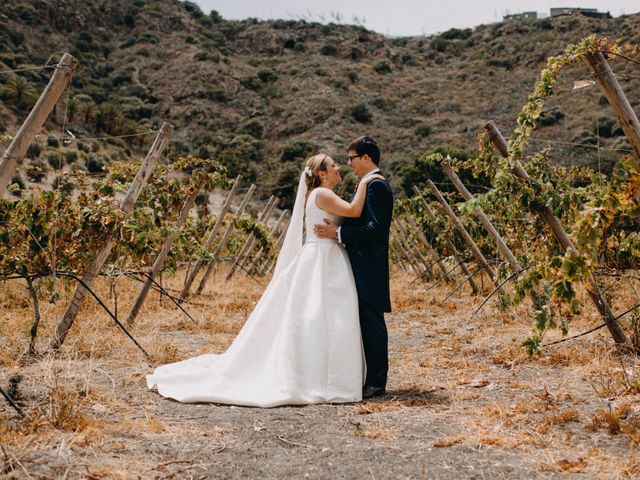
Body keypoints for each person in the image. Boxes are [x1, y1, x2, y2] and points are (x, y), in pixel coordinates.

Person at [146, 153, 383, 407]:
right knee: (320, 315)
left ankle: (324, 374)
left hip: (327, 255)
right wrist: (367, 182)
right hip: (323, 258)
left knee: (320, 316)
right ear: (322, 174)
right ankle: (322, 377)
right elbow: (354, 210)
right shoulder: (322, 194)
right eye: (334, 165)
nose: (340, 168)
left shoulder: (320, 194)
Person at [314, 136, 393, 399]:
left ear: (366, 158)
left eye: (351, 158)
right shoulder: (365, 184)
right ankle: (366, 377)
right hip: (356, 263)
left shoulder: (377, 186)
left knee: (372, 322)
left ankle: (377, 382)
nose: (348, 164)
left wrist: (339, 233)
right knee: (364, 321)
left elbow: (376, 229)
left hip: (368, 265)